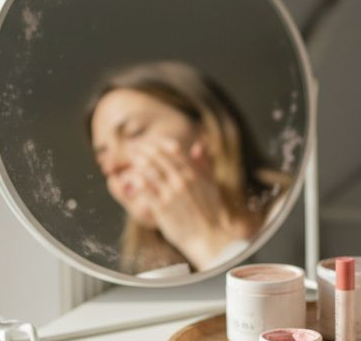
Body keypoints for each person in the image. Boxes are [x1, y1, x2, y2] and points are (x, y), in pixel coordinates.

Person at [85, 61, 286, 277]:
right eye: (102, 161)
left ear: (208, 131)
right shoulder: (148, 276)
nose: (114, 165)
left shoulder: (298, 217)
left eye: (135, 133)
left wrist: (200, 239)